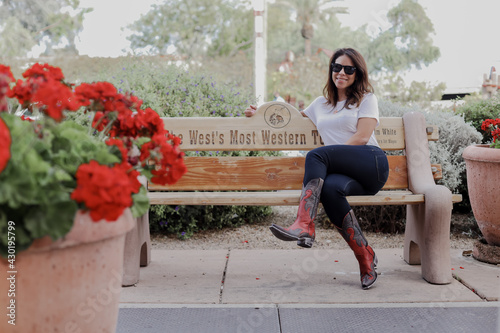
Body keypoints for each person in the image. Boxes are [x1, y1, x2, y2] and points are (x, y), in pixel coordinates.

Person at [245, 48, 389, 290]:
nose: (341, 72)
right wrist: (258, 113)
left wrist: (331, 156)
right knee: (330, 190)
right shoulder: (319, 104)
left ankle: (304, 224)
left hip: (370, 165)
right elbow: (288, 119)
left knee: (316, 155)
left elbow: (363, 137)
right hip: (343, 176)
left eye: (348, 69)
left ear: (357, 73)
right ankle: (365, 256)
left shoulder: (366, 99)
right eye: (336, 67)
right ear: (331, 70)